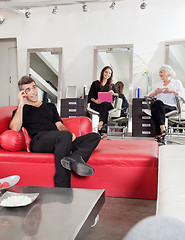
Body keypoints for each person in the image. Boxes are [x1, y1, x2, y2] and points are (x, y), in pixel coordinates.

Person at [9, 76, 101, 188]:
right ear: (23, 93)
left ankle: (75, 158)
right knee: (63, 137)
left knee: (94, 136)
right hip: (39, 141)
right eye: (28, 90)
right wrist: (20, 105)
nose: (33, 92)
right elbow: (14, 128)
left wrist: (69, 134)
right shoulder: (21, 109)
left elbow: (59, 125)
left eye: (34, 87)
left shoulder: (50, 106)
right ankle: (62, 187)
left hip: (59, 138)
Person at [148, 64, 185, 142]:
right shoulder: (158, 84)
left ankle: (159, 133)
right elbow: (149, 96)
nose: (159, 74)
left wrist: (171, 91)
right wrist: (155, 92)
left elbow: (183, 95)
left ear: (168, 73)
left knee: (155, 109)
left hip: (171, 106)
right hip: (159, 106)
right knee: (157, 104)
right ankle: (162, 129)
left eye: (161, 72)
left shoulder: (176, 83)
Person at [88, 66, 119, 137]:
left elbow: (117, 94)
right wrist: (95, 101)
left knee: (104, 105)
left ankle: (100, 124)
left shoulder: (111, 85)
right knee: (104, 110)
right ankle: (104, 130)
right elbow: (90, 96)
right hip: (96, 104)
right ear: (102, 72)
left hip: (107, 104)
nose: (108, 74)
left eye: (109, 73)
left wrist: (113, 93)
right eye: (106, 72)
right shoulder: (95, 83)